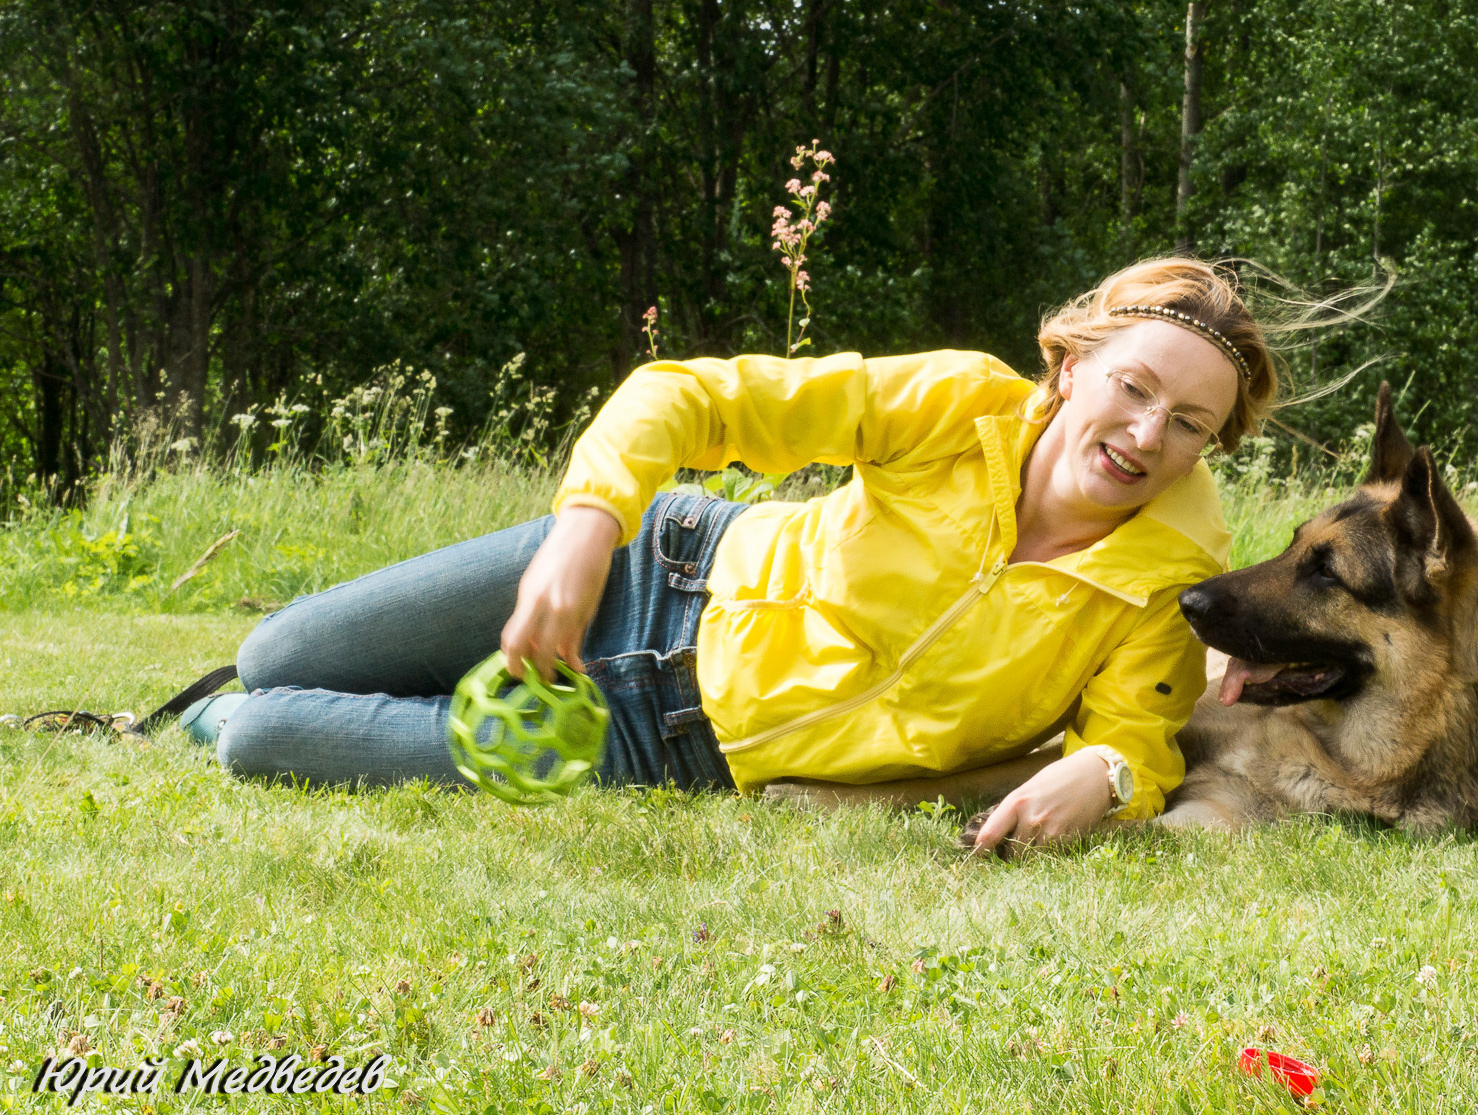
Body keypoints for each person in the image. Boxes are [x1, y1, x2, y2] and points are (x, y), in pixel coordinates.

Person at [187, 256, 1280, 850]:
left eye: (1189, 423)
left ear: (1209, 446)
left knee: (261, 730)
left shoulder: (1172, 579)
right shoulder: (953, 404)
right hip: (653, 571)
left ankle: (200, 717)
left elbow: (1139, 737)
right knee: (277, 651)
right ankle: (224, 692)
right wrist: (587, 530)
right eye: (1133, 387)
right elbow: (689, 395)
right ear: (1071, 366)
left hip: (663, 752)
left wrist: (1104, 773)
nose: (1147, 435)